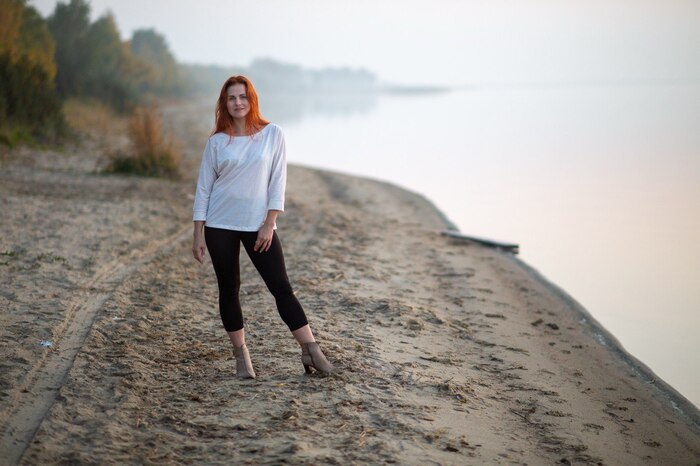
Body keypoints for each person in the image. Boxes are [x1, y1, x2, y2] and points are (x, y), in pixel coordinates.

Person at [192, 76, 333, 379]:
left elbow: (277, 182)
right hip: (219, 224)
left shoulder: (272, 134)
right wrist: (198, 233)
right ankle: (241, 356)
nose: (238, 102)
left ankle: (310, 349)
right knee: (229, 290)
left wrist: (269, 223)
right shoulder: (217, 142)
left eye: (243, 96)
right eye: (232, 98)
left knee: (281, 288)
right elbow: (204, 188)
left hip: (258, 225)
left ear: (252, 99)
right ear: (224, 103)